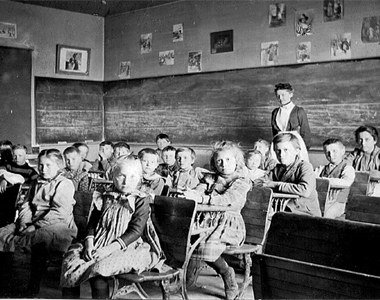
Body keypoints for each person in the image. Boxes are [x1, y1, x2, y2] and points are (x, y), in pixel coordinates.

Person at [60, 155, 165, 299]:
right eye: (121, 176)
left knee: (99, 269)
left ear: (139, 177)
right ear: (112, 175)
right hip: (99, 240)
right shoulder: (104, 196)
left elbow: (135, 231)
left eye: (133, 177)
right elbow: (92, 223)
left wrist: (107, 250)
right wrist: (89, 244)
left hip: (128, 246)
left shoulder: (141, 199)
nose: (126, 182)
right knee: (71, 263)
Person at [0, 149, 76, 297]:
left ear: (59, 165)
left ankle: (33, 286)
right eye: (41, 165)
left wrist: (34, 226)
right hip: (32, 221)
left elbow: (59, 212)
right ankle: (5, 279)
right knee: (3, 233)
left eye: (48, 165)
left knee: (40, 239)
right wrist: (23, 223)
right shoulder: (36, 181)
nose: (43, 169)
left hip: (58, 225)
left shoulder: (65, 184)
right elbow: (26, 205)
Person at [183, 141, 251, 300]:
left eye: (228, 160)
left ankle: (227, 273)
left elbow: (227, 199)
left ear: (237, 162)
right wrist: (193, 192)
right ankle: (186, 278)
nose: (223, 164)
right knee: (186, 241)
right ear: (214, 163)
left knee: (207, 251)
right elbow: (198, 190)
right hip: (207, 221)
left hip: (229, 224)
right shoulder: (210, 178)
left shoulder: (241, 181)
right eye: (219, 161)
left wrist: (201, 197)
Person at [258, 132, 321, 217]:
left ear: (297, 151)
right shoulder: (278, 168)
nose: (281, 155)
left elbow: (305, 190)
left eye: (286, 150)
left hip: (305, 214)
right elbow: (260, 181)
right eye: (278, 151)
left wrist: (276, 185)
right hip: (285, 211)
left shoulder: (305, 167)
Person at [315, 139, 355, 218]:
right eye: (327, 152)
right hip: (322, 199)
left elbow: (347, 182)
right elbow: (311, 178)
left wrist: (324, 181)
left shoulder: (347, 168)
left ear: (342, 151)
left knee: (326, 214)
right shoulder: (322, 168)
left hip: (339, 202)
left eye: (334, 151)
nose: (331, 155)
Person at [271, 83, 312, 150]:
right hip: (280, 148)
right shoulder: (275, 112)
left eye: (283, 95)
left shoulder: (299, 111)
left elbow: (305, 132)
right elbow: (274, 134)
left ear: (291, 94)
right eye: (278, 95)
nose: (280, 98)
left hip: (296, 148)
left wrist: (304, 149)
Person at [346, 125, 380, 195]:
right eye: (360, 139)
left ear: (375, 140)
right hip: (357, 189)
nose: (363, 143)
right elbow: (344, 167)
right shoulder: (354, 154)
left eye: (367, 139)